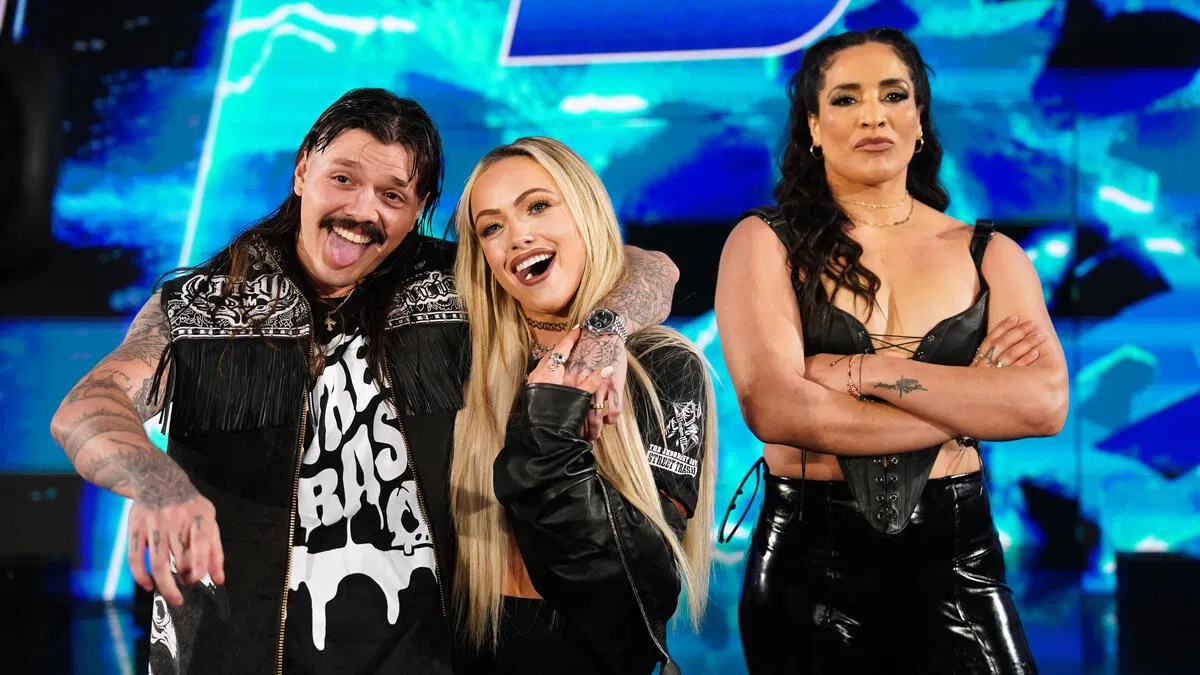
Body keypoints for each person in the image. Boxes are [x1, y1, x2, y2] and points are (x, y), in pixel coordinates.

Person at [49, 89, 680, 674]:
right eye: (343, 179)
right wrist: (156, 483)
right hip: (234, 655)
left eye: (393, 195)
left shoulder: (453, 285)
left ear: (418, 211)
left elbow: (648, 267)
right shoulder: (201, 305)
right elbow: (87, 406)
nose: (361, 211)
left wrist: (604, 333)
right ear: (303, 172)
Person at [715, 28, 1069, 674]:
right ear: (814, 126)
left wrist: (865, 372)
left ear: (920, 120)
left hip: (960, 562)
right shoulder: (764, 243)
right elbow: (778, 409)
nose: (873, 115)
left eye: (894, 95)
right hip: (810, 568)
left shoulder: (992, 254)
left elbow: (1044, 404)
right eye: (846, 99)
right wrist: (972, 405)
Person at [446, 136, 717, 675]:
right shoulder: (462, 354)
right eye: (492, 228)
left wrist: (552, 419)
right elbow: (655, 265)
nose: (518, 236)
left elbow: (633, 587)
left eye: (538, 206)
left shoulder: (663, 364)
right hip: (467, 650)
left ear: (587, 211)